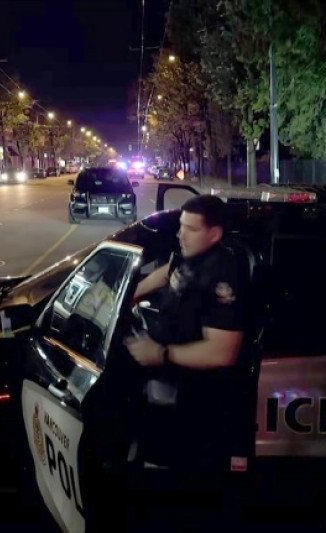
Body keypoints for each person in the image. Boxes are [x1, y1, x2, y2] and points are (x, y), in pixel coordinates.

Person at [122, 194, 251, 532]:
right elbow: (167, 275)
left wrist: (161, 354)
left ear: (214, 234)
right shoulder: (189, 255)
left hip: (199, 405)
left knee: (187, 496)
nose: (181, 235)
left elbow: (222, 351)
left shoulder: (223, 275)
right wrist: (125, 296)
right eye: (181, 227)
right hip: (169, 393)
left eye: (191, 229)